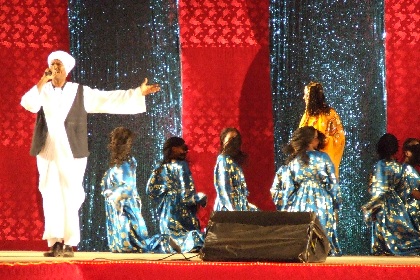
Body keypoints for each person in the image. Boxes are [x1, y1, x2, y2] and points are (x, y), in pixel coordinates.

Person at [20, 50, 160, 257]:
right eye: (54, 64)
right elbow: (28, 104)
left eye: (60, 65)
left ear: (67, 69)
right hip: (47, 149)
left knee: (71, 194)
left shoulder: (79, 91)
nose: (56, 68)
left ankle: (68, 243)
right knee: (50, 193)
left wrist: (137, 93)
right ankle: (55, 242)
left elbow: (108, 99)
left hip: (72, 150)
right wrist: (42, 80)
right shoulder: (43, 90)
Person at [101, 127, 178, 253]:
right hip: (117, 205)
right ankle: (163, 242)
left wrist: (115, 196)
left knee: (134, 242)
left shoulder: (127, 163)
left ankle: (164, 242)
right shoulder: (119, 163)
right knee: (127, 243)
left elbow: (128, 187)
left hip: (123, 205)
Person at [270, 126, 342, 256]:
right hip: (322, 200)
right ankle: (323, 251)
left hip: (300, 201)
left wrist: (286, 206)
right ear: (311, 140)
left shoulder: (293, 161)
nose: (318, 141)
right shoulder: (323, 157)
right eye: (316, 138)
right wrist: (336, 203)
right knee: (322, 226)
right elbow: (333, 183)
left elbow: (288, 188)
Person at [362, 133, 420, 256]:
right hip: (397, 204)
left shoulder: (379, 166)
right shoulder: (399, 167)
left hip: (382, 202)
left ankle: (383, 250)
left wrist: (372, 205)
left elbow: (377, 188)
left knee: (381, 228)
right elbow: (405, 189)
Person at [146, 137, 207, 253]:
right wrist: (200, 198)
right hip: (182, 212)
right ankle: (185, 246)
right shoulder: (182, 166)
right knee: (191, 235)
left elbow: (150, 190)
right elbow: (187, 196)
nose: (185, 151)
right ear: (174, 148)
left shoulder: (160, 167)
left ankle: (168, 244)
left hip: (167, 212)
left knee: (169, 234)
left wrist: (165, 190)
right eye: (183, 148)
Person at [299, 81, 345, 178]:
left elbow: (339, 139)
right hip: (307, 165)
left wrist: (321, 141)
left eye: (306, 95)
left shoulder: (330, 114)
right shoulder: (306, 116)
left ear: (313, 98)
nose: (304, 98)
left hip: (324, 166)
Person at [213, 127, 258, 211]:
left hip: (239, 205)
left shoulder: (234, 163)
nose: (234, 143)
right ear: (223, 141)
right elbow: (224, 189)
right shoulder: (223, 160)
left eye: (236, 140)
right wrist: (233, 211)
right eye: (231, 139)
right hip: (228, 207)